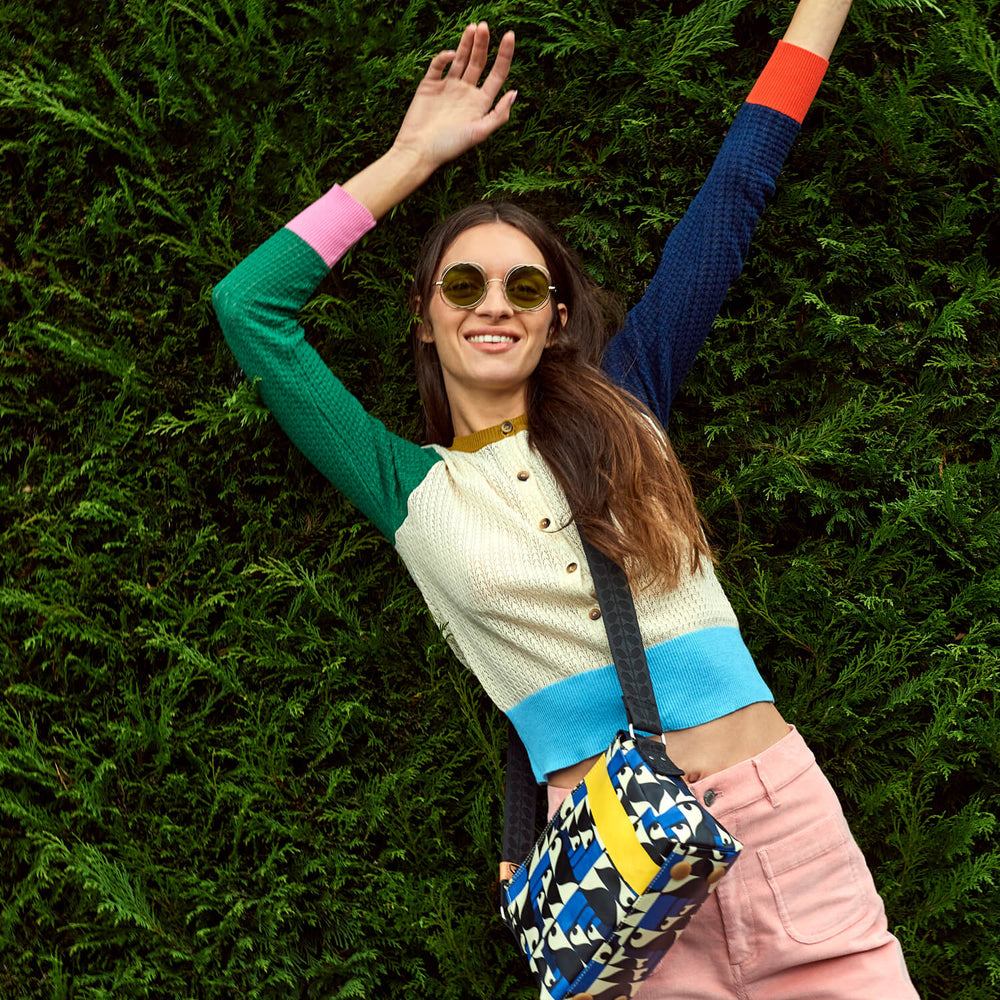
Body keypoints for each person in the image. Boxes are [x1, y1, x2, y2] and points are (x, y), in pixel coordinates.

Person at [213, 2, 920, 996]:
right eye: (462, 284)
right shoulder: (408, 489)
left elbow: (733, 195)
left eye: (522, 286)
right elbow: (249, 310)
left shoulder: (629, 400)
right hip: (616, 884)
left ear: (554, 320)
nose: (492, 303)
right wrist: (412, 158)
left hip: (780, 824)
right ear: (424, 319)